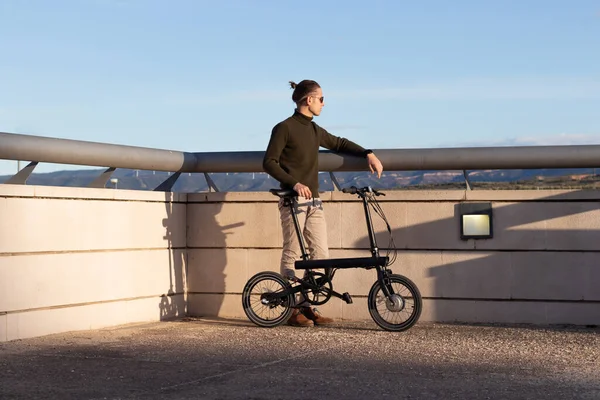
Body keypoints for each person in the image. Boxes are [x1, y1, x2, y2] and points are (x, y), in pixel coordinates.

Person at [263, 79, 384, 327]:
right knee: (292, 252)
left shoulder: (314, 129)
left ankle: (307, 305)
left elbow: (339, 143)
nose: (323, 103)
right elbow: (269, 162)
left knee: (321, 257)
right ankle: (293, 308)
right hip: (293, 200)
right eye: (321, 99)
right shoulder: (283, 128)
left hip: (314, 201)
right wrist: (294, 183)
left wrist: (367, 153)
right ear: (309, 100)